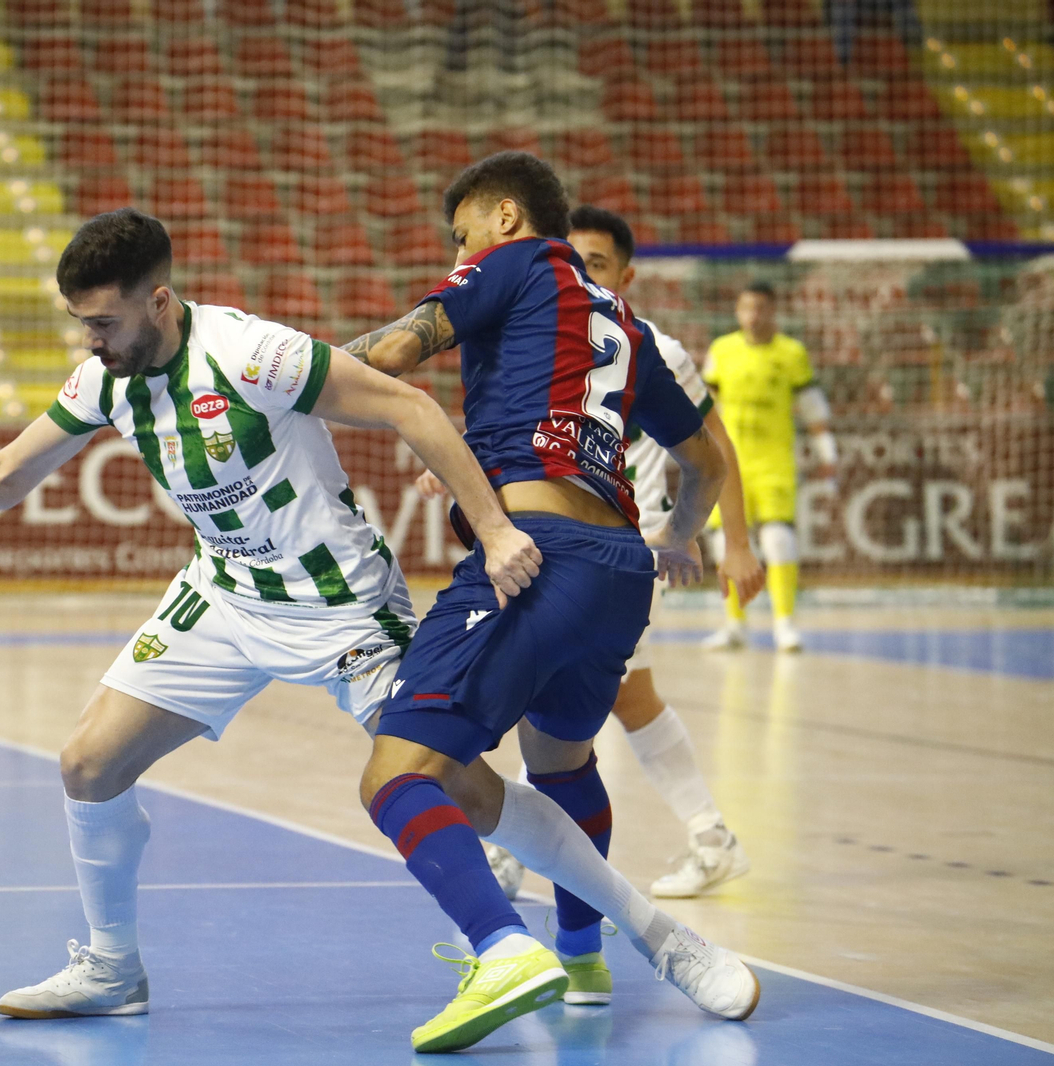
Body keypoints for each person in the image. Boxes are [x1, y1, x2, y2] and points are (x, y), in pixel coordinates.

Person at [0, 208, 543, 1022]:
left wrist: (492, 530)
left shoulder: (249, 352)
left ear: (158, 302)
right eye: (81, 324)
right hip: (227, 596)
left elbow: (410, 406)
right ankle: (111, 969)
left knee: (456, 783)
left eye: (102, 322)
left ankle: (638, 929)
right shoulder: (103, 378)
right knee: (89, 765)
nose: (90, 340)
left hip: (334, 597)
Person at [343, 153, 759, 1052]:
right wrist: (679, 542)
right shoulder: (628, 324)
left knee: (396, 774)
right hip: (618, 569)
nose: (459, 252)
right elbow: (707, 466)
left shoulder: (515, 260)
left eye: (461, 235)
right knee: (562, 763)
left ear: (504, 215)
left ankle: (501, 948)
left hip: (534, 554)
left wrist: (285, 371)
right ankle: (582, 958)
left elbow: (392, 356)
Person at [701, 280, 838, 653]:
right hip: (729, 466)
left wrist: (827, 454)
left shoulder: (791, 353)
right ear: (737, 311)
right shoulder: (721, 351)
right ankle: (735, 624)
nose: (753, 316)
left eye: (761, 308)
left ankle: (784, 625)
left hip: (773, 465)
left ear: (773, 311)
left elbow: (812, 408)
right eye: (747, 308)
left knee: (779, 541)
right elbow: (706, 408)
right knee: (722, 544)